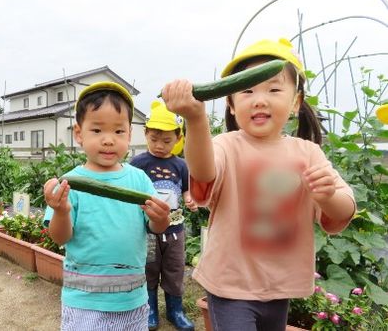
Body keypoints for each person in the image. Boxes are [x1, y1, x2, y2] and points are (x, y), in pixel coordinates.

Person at [161, 38, 356, 330]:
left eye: (274, 89)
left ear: (296, 102)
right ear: (230, 103)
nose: (260, 99)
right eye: (247, 90)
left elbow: (344, 210)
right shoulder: (227, 145)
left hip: (279, 286)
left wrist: (328, 196)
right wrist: (196, 118)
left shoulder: (308, 153)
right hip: (230, 285)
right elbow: (202, 172)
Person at [43, 81, 171, 331]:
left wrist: (161, 218)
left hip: (132, 299)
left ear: (129, 134)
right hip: (84, 301)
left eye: (118, 131)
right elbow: (59, 238)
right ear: (79, 134)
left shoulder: (139, 180)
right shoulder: (71, 183)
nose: (109, 140)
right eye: (98, 130)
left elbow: (156, 226)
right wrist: (60, 210)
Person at [130, 100, 198, 330]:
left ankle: (175, 310)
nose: (160, 145)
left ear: (178, 139)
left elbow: (187, 190)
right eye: (154, 139)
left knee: (175, 269)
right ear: (145, 134)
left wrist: (190, 199)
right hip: (147, 230)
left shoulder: (182, 165)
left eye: (167, 140)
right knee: (149, 269)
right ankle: (150, 311)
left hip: (176, 230)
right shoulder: (137, 164)